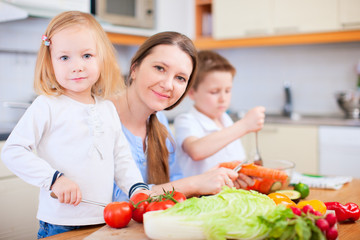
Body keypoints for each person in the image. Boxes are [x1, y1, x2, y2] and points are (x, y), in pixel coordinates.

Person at [1, 11, 149, 238]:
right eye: (64, 58)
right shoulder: (47, 105)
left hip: (105, 219)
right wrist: (54, 180)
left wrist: (137, 188)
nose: (77, 66)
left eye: (87, 55)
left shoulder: (107, 108)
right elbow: (12, 151)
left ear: (102, 59)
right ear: (50, 64)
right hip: (59, 223)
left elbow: (121, 159)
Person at [112, 32, 254, 203]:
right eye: (159, 68)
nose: (168, 85)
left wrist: (209, 179)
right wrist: (195, 183)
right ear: (134, 69)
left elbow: (173, 182)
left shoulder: (160, 123)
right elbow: (115, 199)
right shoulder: (101, 118)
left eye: (180, 78)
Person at [174, 50, 265, 177]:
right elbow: (196, 151)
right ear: (191, 92)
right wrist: (244, 125)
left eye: (227, 90)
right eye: (214, 92)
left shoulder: (225, 119)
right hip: (201, 195)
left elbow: (238, 160)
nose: (223, 98)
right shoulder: (186, 120)